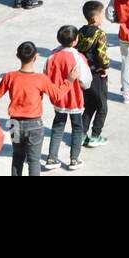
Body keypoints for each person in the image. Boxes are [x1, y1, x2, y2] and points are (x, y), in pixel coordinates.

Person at [0, 41, 75, 175]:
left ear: (18, 56)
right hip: (34, 125)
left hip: (14, 124)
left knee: (17, 157)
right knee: (34, 161)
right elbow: (57, 95)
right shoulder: (41, 79)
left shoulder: (10, 76)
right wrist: (69, 81)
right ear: (35, 57)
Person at [43, 25, 91, 171]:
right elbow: (86, 80)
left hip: (58, 99)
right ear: (75, 40)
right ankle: (74, 159)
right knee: (77, 128)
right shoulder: (78, 57)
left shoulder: (52, 56)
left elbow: (45, 74)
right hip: (75, 100)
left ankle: (52, 158)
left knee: (57, 127)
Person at [77, 0, 111, 147]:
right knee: (102, 106)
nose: (103, 17)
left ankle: (82, 133)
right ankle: (95, 135)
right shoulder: (100, 34)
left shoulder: (81, 31)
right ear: (96, 18)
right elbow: (101, 53)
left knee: (90, 104)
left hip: (84, 73)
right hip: (97, 73)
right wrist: (105, 66)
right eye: (102, 14)